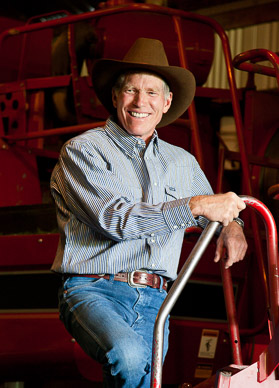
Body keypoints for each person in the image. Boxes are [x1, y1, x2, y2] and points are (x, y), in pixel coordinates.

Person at [50, 38, 248, 387]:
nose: (141, 102)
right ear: (115, 97)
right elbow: (115, 219)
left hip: (158, 299)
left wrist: (233, 227)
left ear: (167, 102)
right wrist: (196, 205)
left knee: (146, 380)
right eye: (131, 90)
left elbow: (216, 212)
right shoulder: (83, 151)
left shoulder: (181, 162)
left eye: (152, 93)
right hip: (95, 289)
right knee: (128, 357)